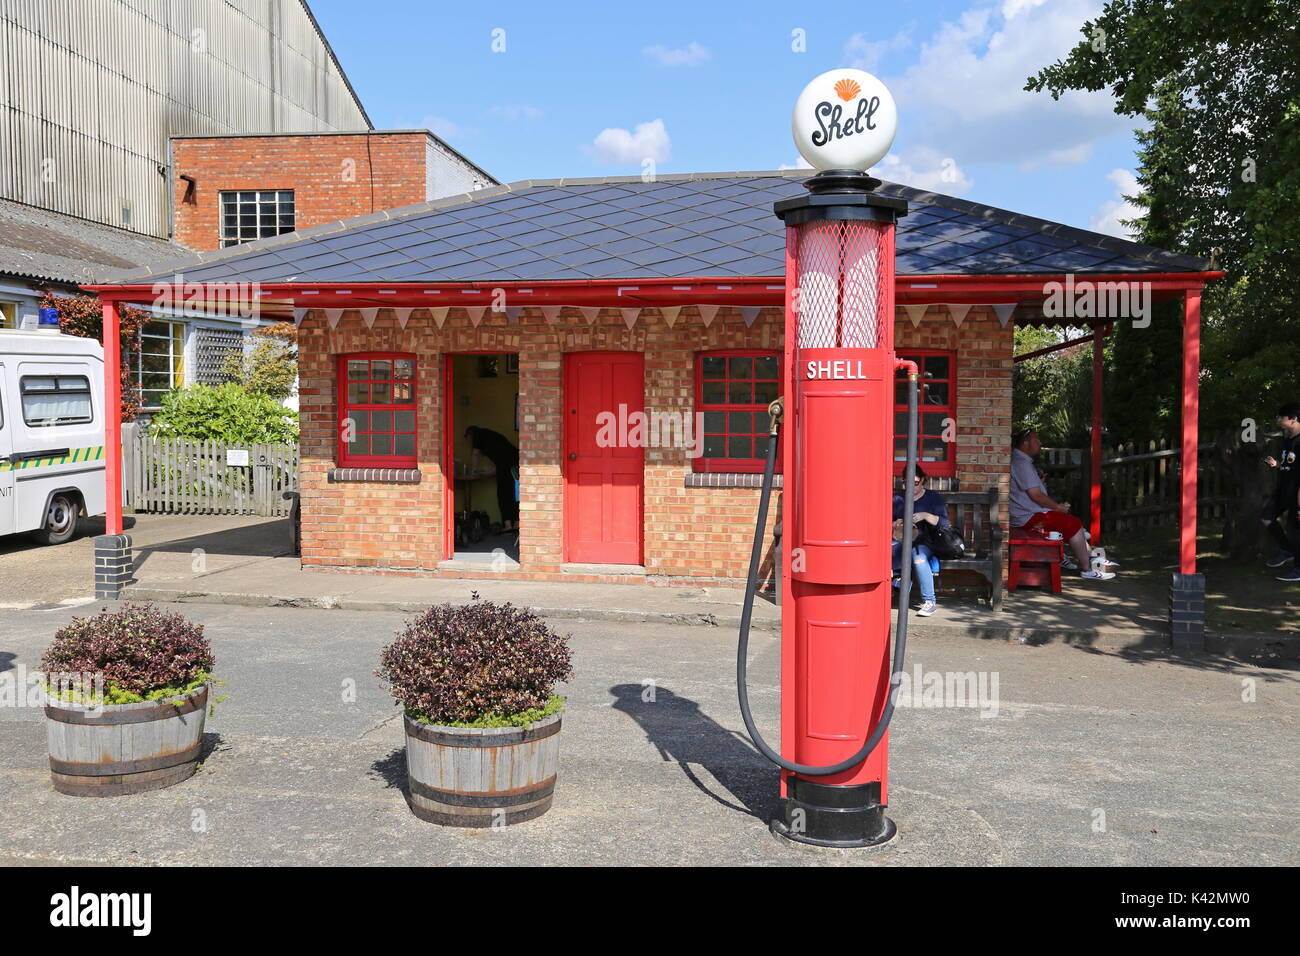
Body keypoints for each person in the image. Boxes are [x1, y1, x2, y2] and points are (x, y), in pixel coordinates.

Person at [1010, 427, 1115, 581]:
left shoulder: (1021, 461)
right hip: (1028, 517)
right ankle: (1087, 569)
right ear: (1026, 443)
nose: (1040, 443)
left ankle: (1091, 558)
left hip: (1026, 514)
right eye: (1036, 440)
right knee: (1073, 524)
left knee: (1073, 524)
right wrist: (1058, 507)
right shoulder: (1022, 464)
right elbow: (1036, 496)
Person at [892, 465, 948, 617]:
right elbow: (885, 522)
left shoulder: (932, 497)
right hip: (902, 541)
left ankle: (929, 601)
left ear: (923, 480)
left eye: (915, 483)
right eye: (907, 483)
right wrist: (895, 523)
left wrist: (925, 515)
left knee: (918, 557)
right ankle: (892, 589)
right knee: (892, 550)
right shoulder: (898, 499)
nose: (911, 487)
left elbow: (944, 523)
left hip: (926, 542)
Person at [1263, 402, 1300, 581]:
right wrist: (1277, 464)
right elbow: (1290, 465)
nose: (1279, 420)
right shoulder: (1288, 440)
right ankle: (1287, 551)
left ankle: (1298, 571)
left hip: (1297, 493)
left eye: (1282, 418)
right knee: (1266, 517)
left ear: (1294, 419)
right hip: (1283, 490)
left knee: (1295, 530)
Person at [465, 425, 520, 532]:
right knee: (513, 494)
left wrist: (474, 471)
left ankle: (510, 525)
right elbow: (499, 466)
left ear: (470, 435)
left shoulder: (477, 435)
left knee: (504, 495)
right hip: (515, 463)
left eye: (468, 439)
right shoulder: (491, 437)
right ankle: (515, 524)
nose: (469, 443)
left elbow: (475, 454)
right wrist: (483, 474)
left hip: (512, 464)